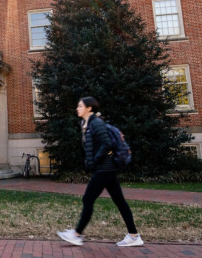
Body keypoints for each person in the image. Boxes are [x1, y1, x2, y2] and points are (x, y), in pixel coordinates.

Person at [57, 96, 143, 247]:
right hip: (104, 168)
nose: (77, 108)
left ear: (89, 108)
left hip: (105, 167)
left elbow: (106, 143)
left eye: (80, 106)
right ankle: (134, 236)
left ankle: (77, 234)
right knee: (120, 202)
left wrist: (93, 161)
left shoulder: (96, 123)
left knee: (88, 199)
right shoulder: (86, 123)